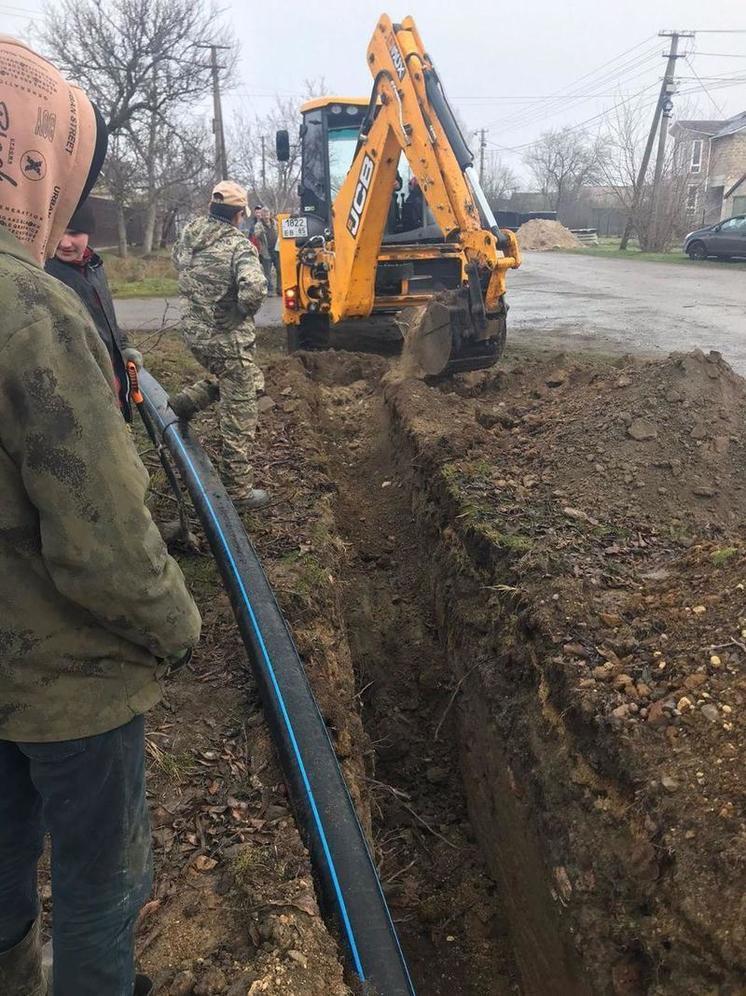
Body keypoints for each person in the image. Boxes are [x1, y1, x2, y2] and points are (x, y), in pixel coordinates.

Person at [0, 36, 202, 996]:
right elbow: (106, 549)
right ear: (39, 160)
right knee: (99, 889)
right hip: (66, 688)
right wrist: (177, 625)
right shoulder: (30, 313)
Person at [170, 181, 269, 510]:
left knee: (244, 378)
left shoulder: (191, 232)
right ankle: (238, 489)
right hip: (224, 339)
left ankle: (188, 401)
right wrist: (240, 310)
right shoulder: (239, 246)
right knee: (241, 406)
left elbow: (178, 263)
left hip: (193, 333)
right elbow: (254, 289)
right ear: (240, 214)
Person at [45, 200, 142, 421]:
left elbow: (105, 318)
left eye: (75, 233)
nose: (65, 242)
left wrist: (124, 346)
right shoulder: (45, 274)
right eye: (58, 232)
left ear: (89, 232)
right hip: (78, 396)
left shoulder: (94, 266)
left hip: (112, 382)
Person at [253, 206, 275, 289]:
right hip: (265, 251)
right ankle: (269, 288)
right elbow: (256, 234)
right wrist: (261, 232)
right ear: (261, 215)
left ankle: (280, 288)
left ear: (270, 214)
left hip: (276, 250)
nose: (266, 215)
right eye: (264, 213)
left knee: (280, 270)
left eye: (267, 213)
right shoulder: (258, 225)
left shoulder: (275, 223)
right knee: (267, 272)